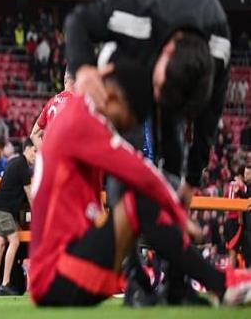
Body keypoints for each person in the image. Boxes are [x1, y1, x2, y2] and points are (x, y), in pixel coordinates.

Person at [65, 0, 230, 303]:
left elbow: (208, 120)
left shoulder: (218, 45)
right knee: (126, 150)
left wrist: (190, 181)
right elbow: (78, 21)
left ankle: (176, 281)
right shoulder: (133, 14)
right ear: (165, 53)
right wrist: (83, 69)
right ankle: (133, 278)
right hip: (133, 37)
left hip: (171, 39)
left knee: (173, 154)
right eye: (158, 90)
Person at [30, 62, 251, 307]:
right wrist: (179, 215)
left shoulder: (74, 117)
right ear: (112, 95)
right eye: (129, 109)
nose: (130, 121)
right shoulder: (81, 120)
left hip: (62, 268)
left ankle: (176, 284)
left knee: (133, 202)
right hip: (57, 277)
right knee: (137, 202)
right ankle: (220, 284)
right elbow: (140, 172)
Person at [0, 138, 35, 295]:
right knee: (14, 242)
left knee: (0, 245)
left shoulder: (14, 162)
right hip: (4, 209)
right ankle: (5, 283)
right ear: (27, 149)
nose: (36, 155)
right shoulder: (23, 167)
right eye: (34, 151)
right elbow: (30, 195)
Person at [30, 70, 74, 150]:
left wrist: (45, 155)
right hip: (68, 154)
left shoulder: (51, 103)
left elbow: (34, 134)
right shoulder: (78, 103)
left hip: (52, 154)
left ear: (64, 79)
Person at [224, 167, 247, 268]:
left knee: (231, 250)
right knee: (235, 249)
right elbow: (240, 201)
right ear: (242, 175)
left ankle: (231, 271)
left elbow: (224, 201)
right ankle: (232, 272)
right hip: (236, 220)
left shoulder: (229, 185)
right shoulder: (241, 185)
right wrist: (240, 219)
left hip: (228, 220)